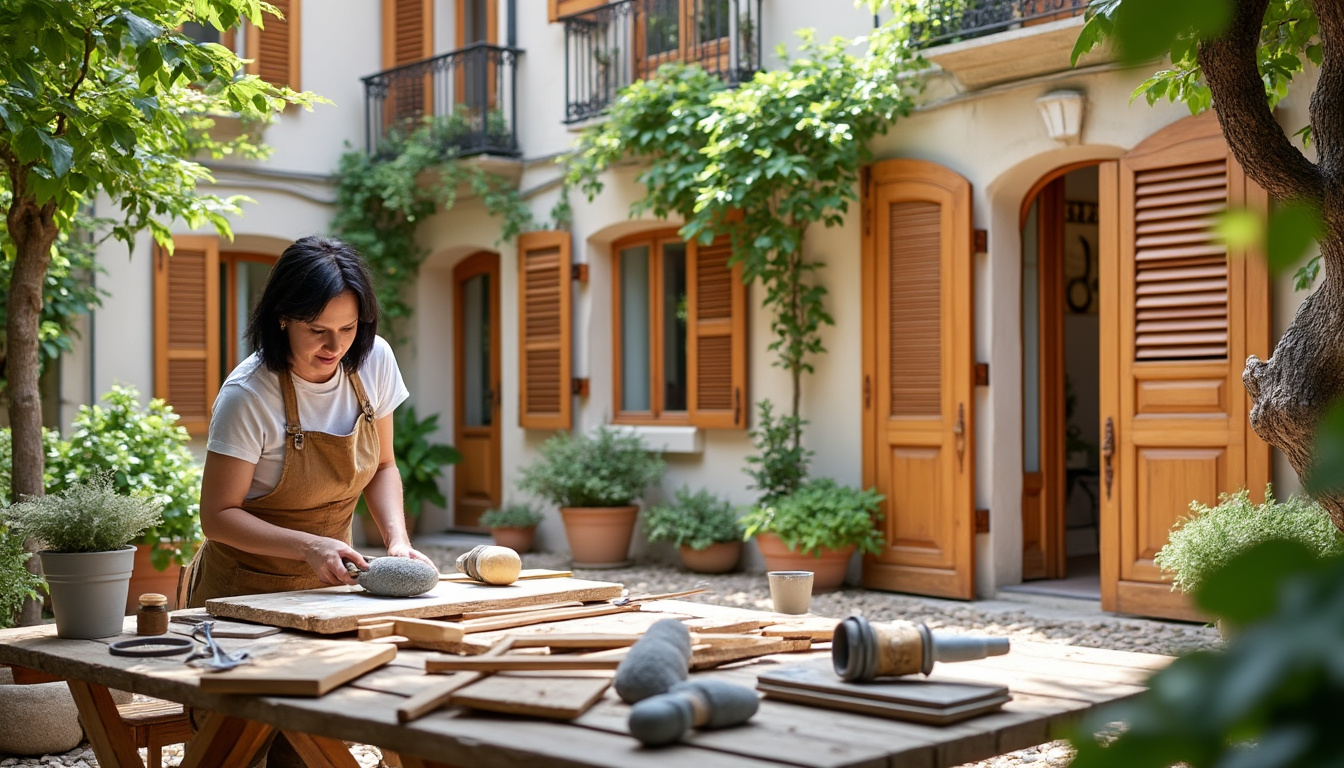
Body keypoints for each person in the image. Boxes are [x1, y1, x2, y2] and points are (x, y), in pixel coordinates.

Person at [184, 235, 434, 608]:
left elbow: (383, 465)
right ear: (283, 318)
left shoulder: (374, 360)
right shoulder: (248, 395)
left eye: (347, 329)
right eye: (318, 331)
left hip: (331, 590)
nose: (335, 347)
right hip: (243, 594)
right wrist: (309, 546)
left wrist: (397, 541)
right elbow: (217, 516)